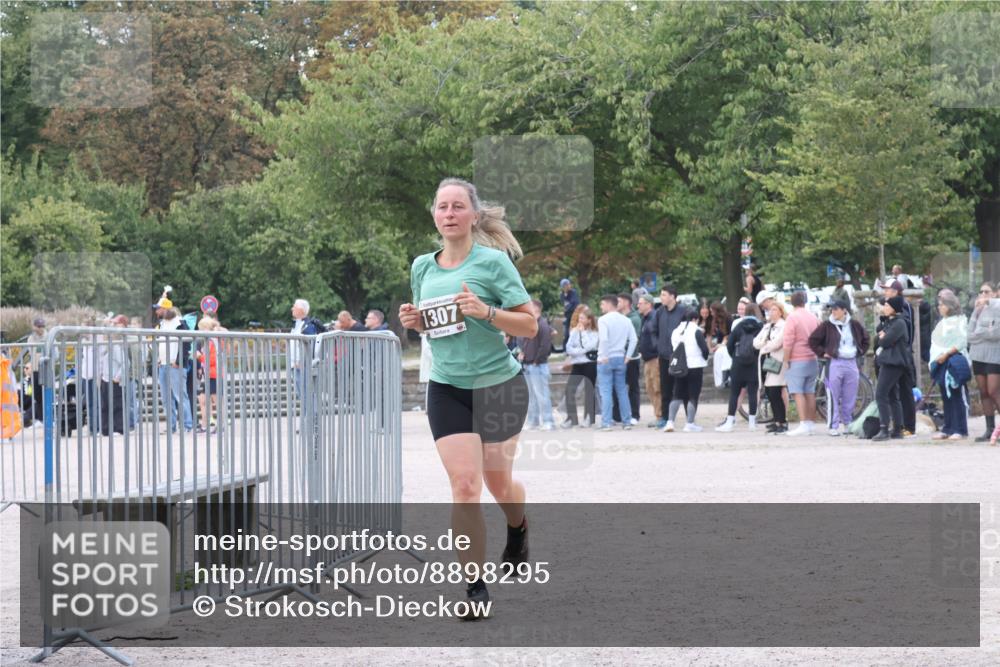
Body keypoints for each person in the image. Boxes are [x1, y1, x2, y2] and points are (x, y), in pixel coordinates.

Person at [398, 177, 535, 619]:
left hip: (499, 386)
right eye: (443, 206)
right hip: (447, 388)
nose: (450, 213)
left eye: (459, 206)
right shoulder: (422, 266)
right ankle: (475, 589)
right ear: (434, 215)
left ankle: (518, 525)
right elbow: (433, 326)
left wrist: (488, 312)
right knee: (464, 486)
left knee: (498, 483)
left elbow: (529, 326)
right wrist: (416, 322)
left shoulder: (494, 263)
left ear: (474, 216)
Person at [808, 301, 870, 436]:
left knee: (850, 395)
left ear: (844, 310)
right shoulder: (827, 325)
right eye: (832, 310)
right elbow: (812, 340)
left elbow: (866, 339)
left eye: (836, 309)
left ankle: (848, 423)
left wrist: (859, 351)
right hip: (834, 362)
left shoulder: (854, 325)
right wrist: (823, 352)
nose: (833, 312)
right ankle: (833, 425)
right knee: (832, 394)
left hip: (851, 362)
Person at [716, 302, 763, 432]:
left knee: (734, 393)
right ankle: (752, 422)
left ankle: (730, 421)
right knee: (753, 393)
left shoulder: (738, 325)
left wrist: (735, 357)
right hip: (753, 364)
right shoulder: (761, 326)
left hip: (738, 363)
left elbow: (730, 345)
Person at [929, 292, 970, 440]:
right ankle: (948, 427)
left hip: (953, 360)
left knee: (956, 394)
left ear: (950, 306)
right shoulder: (941, 323)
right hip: (940, 361)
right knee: (945, 395)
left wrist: (946, 354)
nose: (939, 307)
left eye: (942, 304)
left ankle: (960, 429)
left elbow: (961, 342)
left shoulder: (960, 321)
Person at [596, 294, 637, 431]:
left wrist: (604, 355)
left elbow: (604, 339)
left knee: (606, 391)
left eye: (602, 304)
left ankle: (606, 422)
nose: (601, 307)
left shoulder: (603, 320)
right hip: (620, 357)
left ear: (608, 304)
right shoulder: (626, 320)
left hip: (606, 358)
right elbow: (634, 339)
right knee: (622, 391)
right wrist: (628, 356)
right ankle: (626, 421)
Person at [880, 280, 917, 435]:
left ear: (895, 291)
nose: (885, 292)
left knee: (905, 391)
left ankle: (908, 426)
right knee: (893, 393)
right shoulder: (888, 308)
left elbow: (903, 331)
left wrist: (887, 336)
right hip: (891, 355)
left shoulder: (904, 307)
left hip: (901, 355)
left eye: (887, 289)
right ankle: (898, 426)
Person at [651, 284, 689, 426]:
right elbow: (653, 330)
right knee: (665, 389)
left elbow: (689, 330)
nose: (661, 298)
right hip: (664, 356)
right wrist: (658, 345)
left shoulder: (683, 312)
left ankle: (689, 418)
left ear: (673, 296)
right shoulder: (660, 311)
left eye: (664, 295)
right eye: (661, 295)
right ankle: (666, 418)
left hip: (679, 356)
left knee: (683, 388)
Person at [872, 296, 910, 441]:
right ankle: (897, 429)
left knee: (880, 394)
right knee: (893, 396)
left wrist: (883, 337)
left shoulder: (899, 323)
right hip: (889, 362)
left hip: (893, 363)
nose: (884, 308)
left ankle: (884, 428)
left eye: (887, 305)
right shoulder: (890, 322)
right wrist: (882, 335)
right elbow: (879, 335)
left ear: (895, 308)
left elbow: (885, 341)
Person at [665, 309, 709, 432]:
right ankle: (689, 423)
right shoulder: (696, 331)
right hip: (695, 366)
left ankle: (670, 422)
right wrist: (704, 358)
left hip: (679, 367)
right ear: (695, 319)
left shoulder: (675, 331)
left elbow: (672, 349)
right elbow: (704, 350)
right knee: (693, 395)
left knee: (677, 394)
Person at [155, 300, 194, 434]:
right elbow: (159, 343)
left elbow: (186, 344)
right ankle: (171, 425)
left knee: (180, 396)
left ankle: (187, 425)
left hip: (175, 364)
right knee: (166, 398)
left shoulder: (180, 323)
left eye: (159, 309)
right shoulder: (161, 324)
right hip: (164, 364)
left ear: (165, 309)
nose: (156, 311)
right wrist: (159, 359)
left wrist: (179, 361)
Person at [968, 282, 1000, 442]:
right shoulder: (978, 310)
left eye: (987, 291)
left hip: (994, 356)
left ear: (995, 293)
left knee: (994, 391)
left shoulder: (997, 307)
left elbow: (996, 333)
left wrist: (980, 333)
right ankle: (989, 429)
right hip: (978, 355)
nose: (983, 294)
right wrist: (983, 331)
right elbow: (970, 334)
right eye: (981, 291)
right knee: (984, 392)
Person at [517, 299, 555, 431]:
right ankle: (533, 421)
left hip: (537, 365)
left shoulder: (543, 325)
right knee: (531, 396)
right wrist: (522, 353)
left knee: (542, 395)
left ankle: (548, 421)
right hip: (528, 364)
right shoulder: (530, 323)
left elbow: (545, 346)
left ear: (535, 308)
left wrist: (536, 360)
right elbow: (522, 340)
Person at [754, 301, 789, 434]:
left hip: (778, 362)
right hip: (765, 361)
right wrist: (764, 344)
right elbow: (755, 342)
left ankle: (782, 422)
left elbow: (777, 343)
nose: (772, 312)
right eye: (770, 310)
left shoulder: (783, 326)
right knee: (769, 392)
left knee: (775, 391)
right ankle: (776, 420)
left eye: (775, 310)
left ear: (780, 311)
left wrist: (765, 346)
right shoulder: (767, 326)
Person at [562, 305, 598, 428]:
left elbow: (589, 346)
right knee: (569, 390)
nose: (580, 321)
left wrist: (582, 333)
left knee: (589, 391)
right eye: (579, 318)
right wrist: (578, 350)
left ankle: (589, 417)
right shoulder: (574, 331)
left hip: (589, 364)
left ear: (589, 320)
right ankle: (572, 419)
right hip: (577, 364)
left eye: (582, 318)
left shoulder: (594, 333)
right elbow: (568, 348)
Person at [612, 292, 641, 425]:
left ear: (626, 303)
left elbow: (633, 340)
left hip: (632, 357)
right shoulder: (616, 318)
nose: (616, 304)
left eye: (618, 301)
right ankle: (617, 415)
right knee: (616, 386)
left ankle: (634, 414)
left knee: (632, 386)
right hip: (618, 356)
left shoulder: (634, 319)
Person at [99, 315, 129, 435]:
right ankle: (105, 429)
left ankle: (119, 428)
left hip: (114, 380)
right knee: (105, 405)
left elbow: (125, 363)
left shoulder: (116, 347)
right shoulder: (107, 347)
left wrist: (118, 377)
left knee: (117, 405)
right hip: (105, 379)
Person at [637, 295, 664, 428]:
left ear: (649, 304)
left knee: (657, 387)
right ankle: (658, 415)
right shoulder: (645, 318)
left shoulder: (654, 317)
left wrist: (657, 351)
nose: (638, 306)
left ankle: (661, 416)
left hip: (655, 358)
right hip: (647, 359)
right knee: (650, 388)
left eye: (641, 303)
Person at [289, 299, 324, 397]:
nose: (292, 309)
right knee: (303, 394)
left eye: (294, 306)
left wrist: (302, 361)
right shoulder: (298, 324)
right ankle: (308, 412)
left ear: (301, 310)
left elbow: (311, 345)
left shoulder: (307, 325)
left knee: (306, 395)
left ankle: (312, 413)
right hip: (296, 364)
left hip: (301, 365)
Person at [196, 317, 224, 434]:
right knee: (203, 400)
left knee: (216, 401)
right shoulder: (210, 340)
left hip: (214, 375)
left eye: (201, 329)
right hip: (208, 375)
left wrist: (199, 357)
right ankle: (204, 425)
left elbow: (213, 360)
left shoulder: (214, 341)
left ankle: (220, 424)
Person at [26, 318, 46, 423]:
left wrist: (41, 356)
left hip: (47, 370)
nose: (40, 329)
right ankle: (40, 419)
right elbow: (32, 353)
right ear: (34, 327)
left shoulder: (49, 336)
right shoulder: (31, 338)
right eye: (38, 326)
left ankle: (48, 418)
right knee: (38, 397)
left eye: (42, 326)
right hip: (36, 370)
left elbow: (55, 354)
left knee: (47, 395)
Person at [560, 278, 580, 343]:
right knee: (566, 333)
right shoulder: (562, 294)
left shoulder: (573, 292)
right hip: (568, 316)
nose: (567, 286)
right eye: (565, 285)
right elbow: (564, 304)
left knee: (573, 332)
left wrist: (566, 309)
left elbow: (574, 304)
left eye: (568, 284)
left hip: (574, 315)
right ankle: (565, 348)